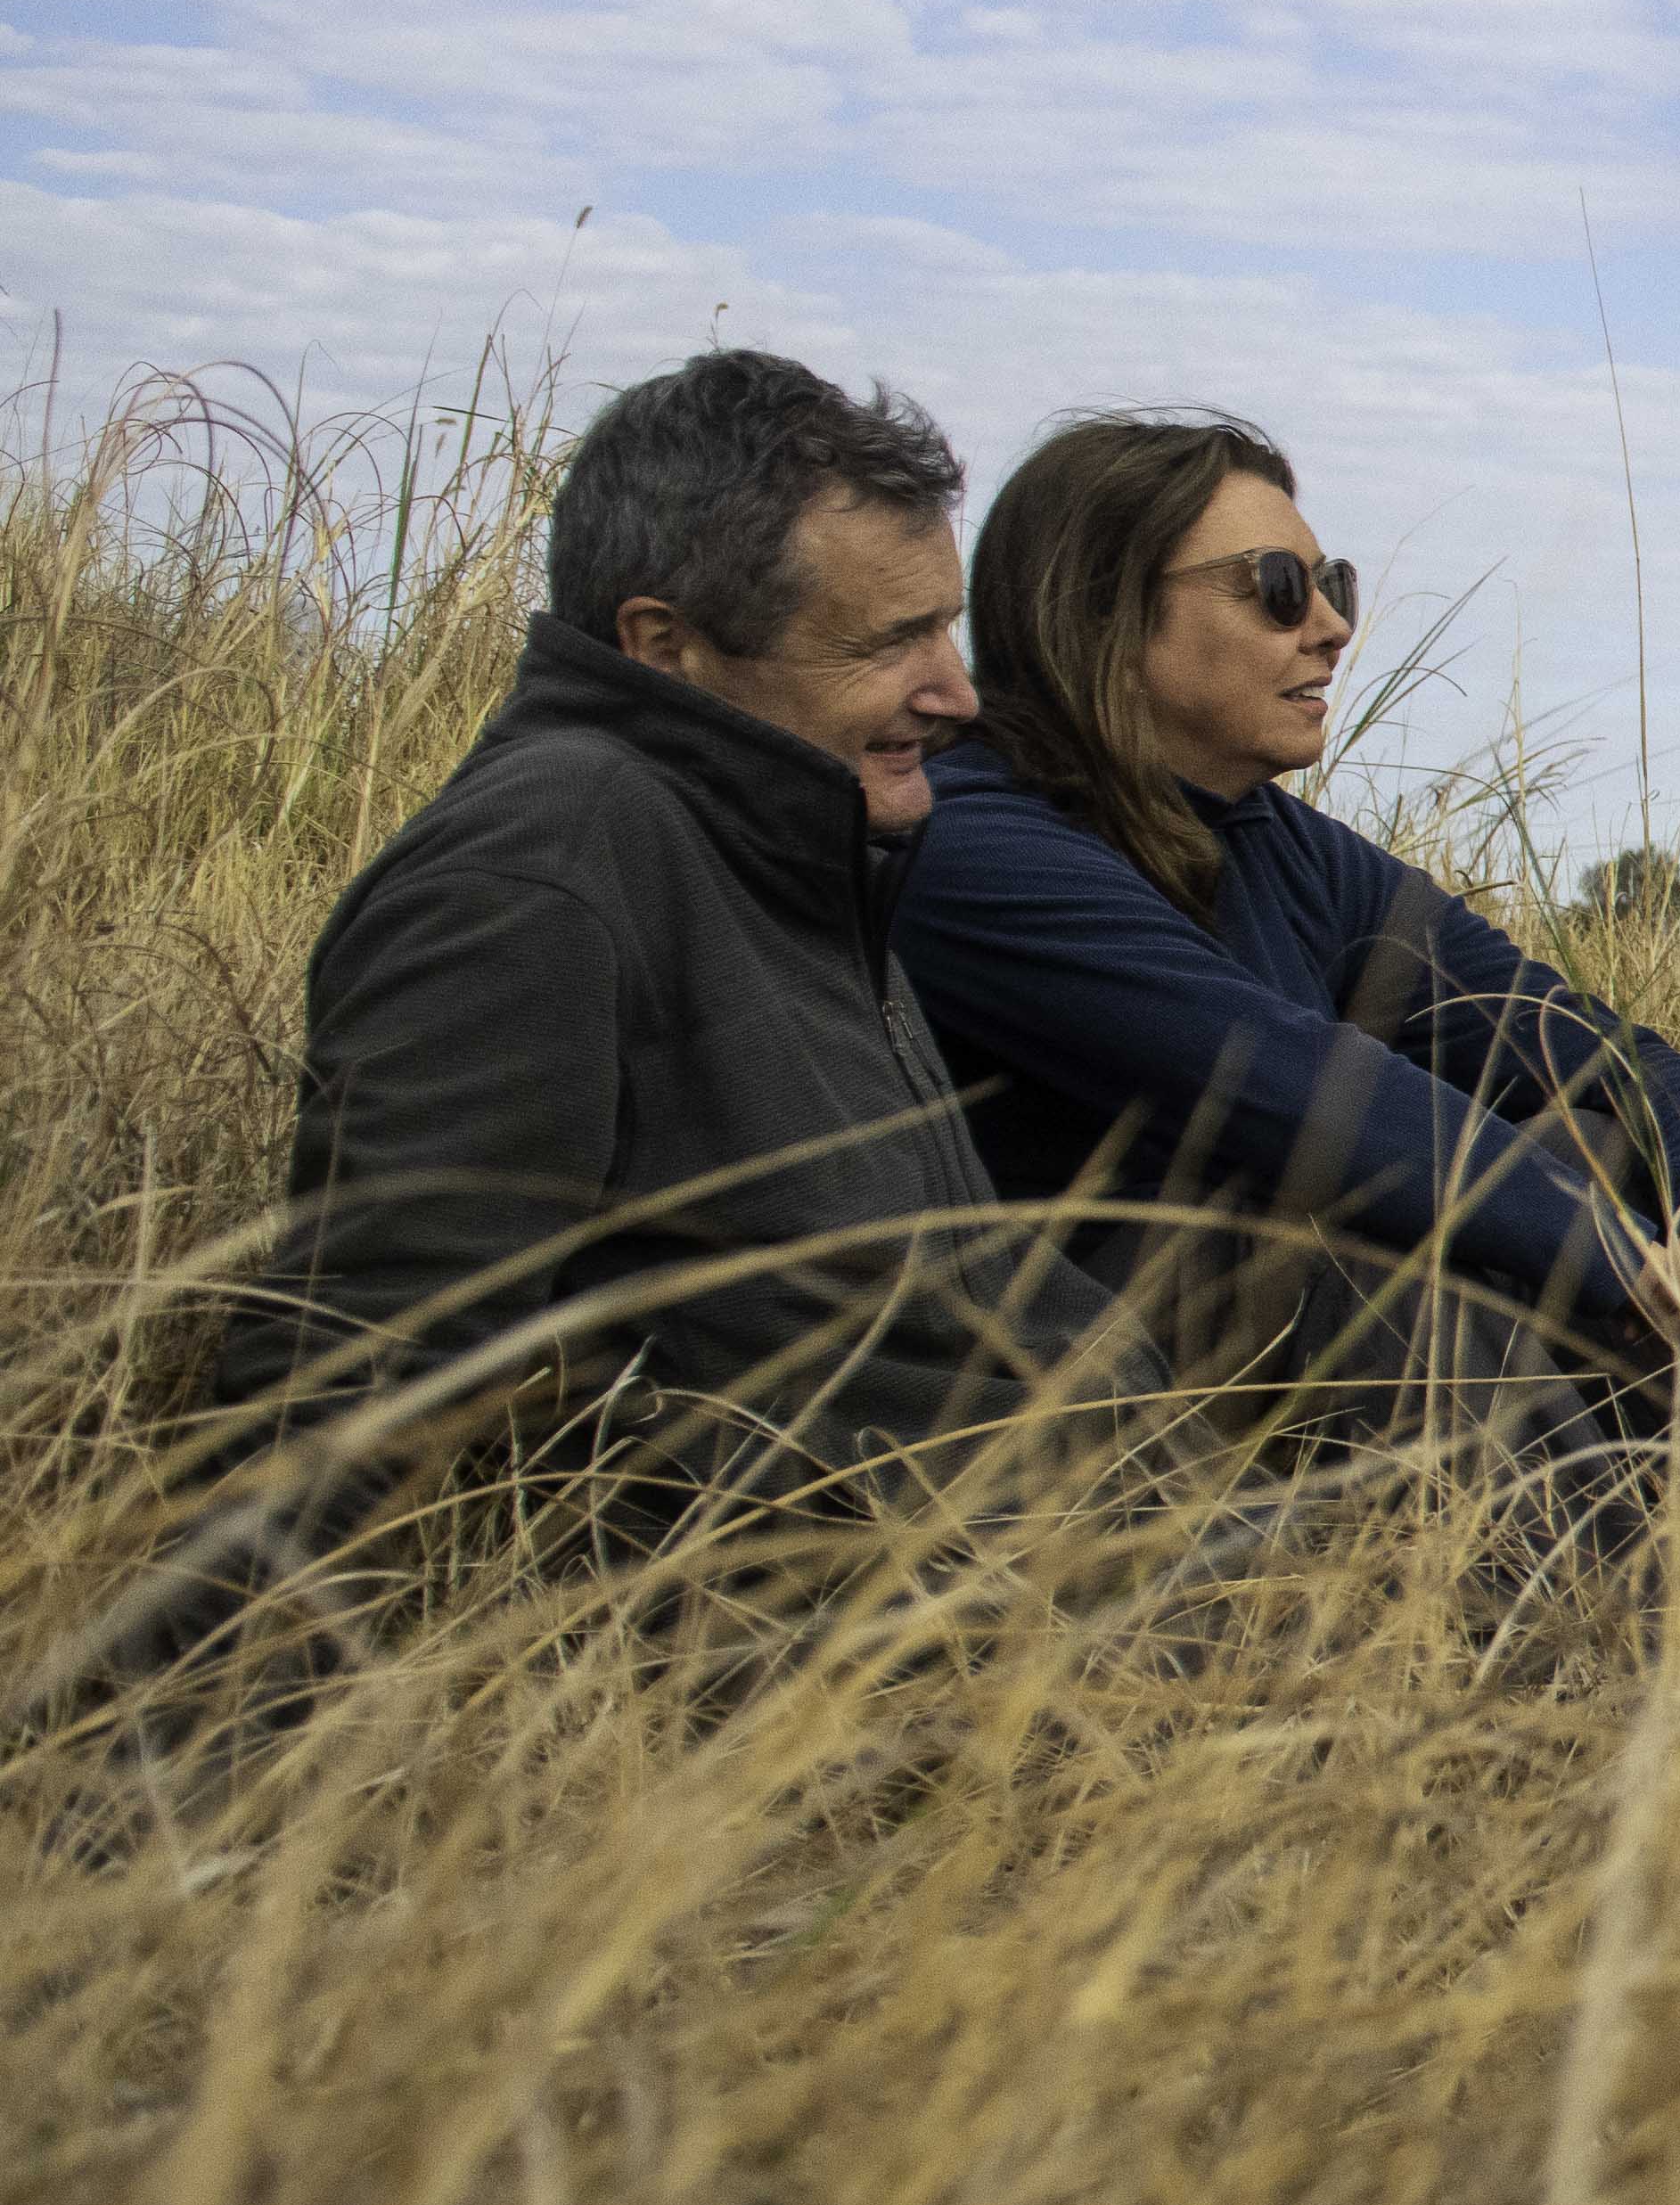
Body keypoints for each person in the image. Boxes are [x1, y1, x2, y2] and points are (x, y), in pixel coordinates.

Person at [211, 348, 1108, 1512]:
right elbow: (348, 1390)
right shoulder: (547, 861)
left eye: (945, 629)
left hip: (1089, 1547)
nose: (956, 693)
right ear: (663, 646)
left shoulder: (785, 843)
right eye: (888, 642)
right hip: (885, 1611)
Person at [897, 412, 1680, 1459]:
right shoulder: (973, 841)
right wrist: (1642, 1269)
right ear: (1103, 611)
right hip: (1058, 1408)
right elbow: (1306, 1094)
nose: (1329, 626)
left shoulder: (1282, 842)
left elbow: (1596, 1051)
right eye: (1277, 586)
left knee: (1595, 1144)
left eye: (1335, 586)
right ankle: (1579, 1559)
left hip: (1255, 1372)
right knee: (1361, 1253)